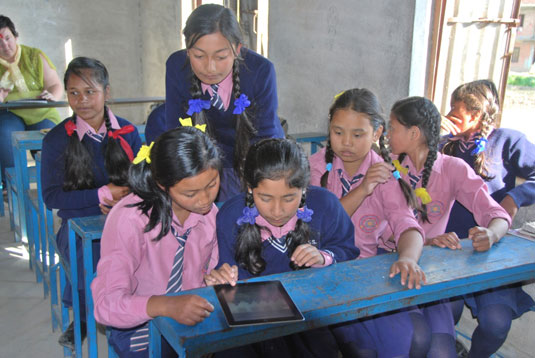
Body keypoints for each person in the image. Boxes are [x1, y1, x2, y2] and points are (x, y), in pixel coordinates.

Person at [206, 138, 359, 357]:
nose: (277, 211)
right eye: (265, 198)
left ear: (304, 189)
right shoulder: (231, 216)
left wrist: (324, 257)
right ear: (250, 189)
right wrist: (222, 276)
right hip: (252, 320)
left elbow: (347, 250)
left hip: (310, 311)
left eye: (289, 198)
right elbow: (225, 270)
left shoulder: (325, 205)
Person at [309, 88, 432, 357]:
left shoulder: (385, 173)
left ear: (377, 133)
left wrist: (409, 258)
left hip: (366, 270)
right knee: (364, 351)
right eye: (338, 132)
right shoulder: (316, 168)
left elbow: (407, 224)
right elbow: (320, 228)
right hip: (323, 272)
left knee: (417, 338)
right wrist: (363, 189)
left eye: (358, 134)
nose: (346, 143)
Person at [386, 96, 512, 357]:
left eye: (392, 127)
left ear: (414, 133)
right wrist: (428, 241)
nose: (387, 134)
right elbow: (377, 230)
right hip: (389, 266)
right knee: (410, 342)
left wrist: (492, 233)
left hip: (433, 274)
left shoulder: (453, 168)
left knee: (442, 353)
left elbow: (495, 213)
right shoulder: (386, 168)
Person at [92, 126, 221, 358]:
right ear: (162, 184)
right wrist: (166, 306)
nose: (205, 200)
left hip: (192, 316)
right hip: (139, 325)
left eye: (212, 185)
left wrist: (219, 277)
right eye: (190, 193)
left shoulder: (210, 215)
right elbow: (106, 306)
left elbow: (210, 271)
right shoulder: (129, 218)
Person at [41, 57, 141, 350]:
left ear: (107, 92)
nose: (81, 100)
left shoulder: (128, 133)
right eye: (73, 92)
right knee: (95, 268)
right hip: (77, 226)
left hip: (124, 220)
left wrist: (123, 202)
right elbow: (50, 197)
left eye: (89, 92)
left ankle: (132, 316)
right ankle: (86, 318)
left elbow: (142, 183)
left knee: (142, 261)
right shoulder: (57, 140)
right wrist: (101, 195)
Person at [440, 80, 535, 357]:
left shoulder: (507, 140)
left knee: (496, 323)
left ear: (479, 114)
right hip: (448, 249)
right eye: (452, 107)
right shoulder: (444, 145)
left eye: (459, 108)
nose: (452, 113)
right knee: (447, 313)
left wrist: (516, 197)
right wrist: (432, 134)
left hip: (491, 247)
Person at [155, 4, 284, 201]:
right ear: (187, 50)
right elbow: (176, 132)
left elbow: (265, 139)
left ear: (237, 50)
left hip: (253, 161)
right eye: (198, 56)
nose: (210, 67)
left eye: (221, 56)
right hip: (203, 165)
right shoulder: (176, 67)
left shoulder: (260, 71)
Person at [0, 15, 63, 180]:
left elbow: (56, 85)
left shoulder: (34, 56)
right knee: (5, 133)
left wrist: (52, 95)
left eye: (8, 38)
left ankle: (53, 183)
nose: (5, 45)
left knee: (49, 139)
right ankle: (12, 184)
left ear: (16, 37)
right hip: (10, 113)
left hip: (41, 112)